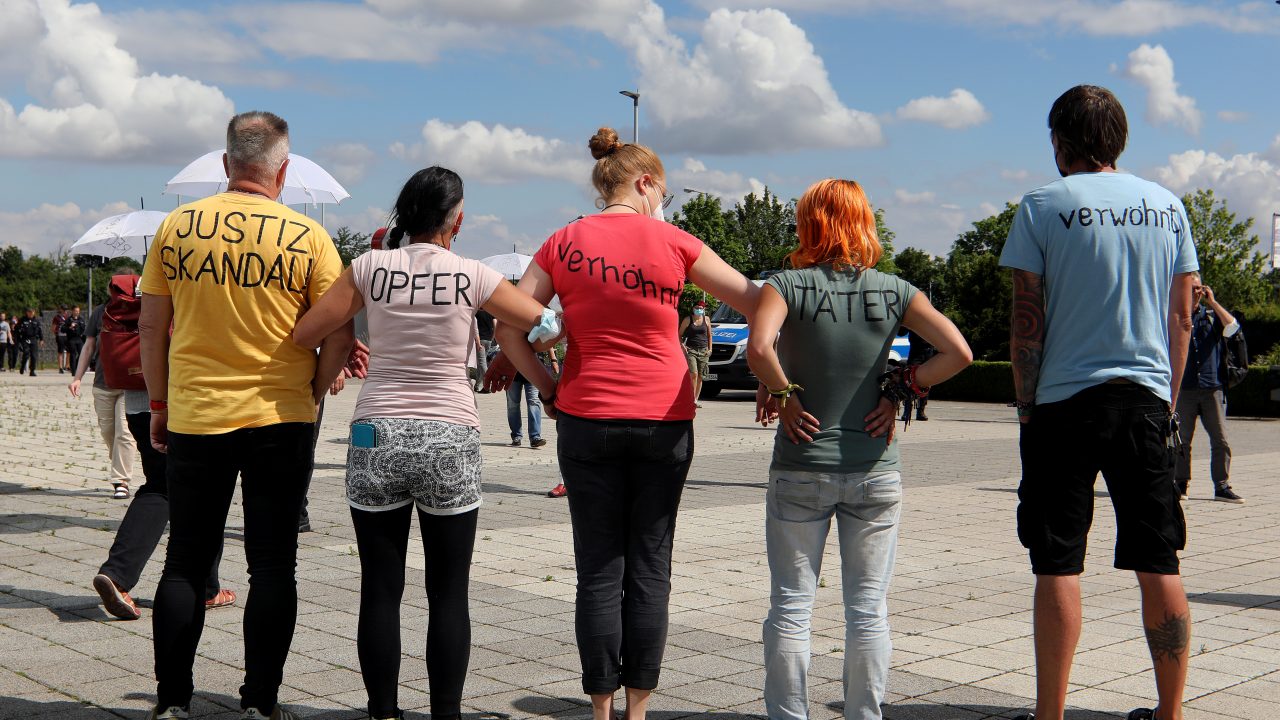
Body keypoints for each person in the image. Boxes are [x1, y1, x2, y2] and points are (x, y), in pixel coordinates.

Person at [487, 126, 758, 720]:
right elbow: (752, 298)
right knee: (651, 565)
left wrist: (548, 385)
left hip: (586, 416)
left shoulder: (563, 243)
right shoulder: (676, 243)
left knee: (598, 568)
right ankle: (639, 710)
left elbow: (509, 321)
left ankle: (600, 709)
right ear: (646, 183)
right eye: (661, 192)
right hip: (664, 418)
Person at [294, 166, 555, 720]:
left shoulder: (367, 267)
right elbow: (550, 324)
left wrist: (333, 361)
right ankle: (446, 714)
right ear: (456, 219)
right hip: (450, 434)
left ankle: (383, 712)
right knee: (448, 593)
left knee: (380, 590)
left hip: (376, 432)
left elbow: (308, 331)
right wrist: (511, 353)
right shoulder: (473, 275)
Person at [139, 110, 352, 720]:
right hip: (280, 420)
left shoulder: (178, 226)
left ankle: (172, 703)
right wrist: (311, 390)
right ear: (282, 171)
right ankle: (260, 702)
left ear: (226, 164)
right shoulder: (308, 237)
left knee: (185, 559)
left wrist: (159, 403)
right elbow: (337, 332)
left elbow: (153, 324)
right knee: (273, 565)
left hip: (196, 413)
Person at [999, 85, 1197, 720]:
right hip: (1144, 399)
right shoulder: (1169, 207)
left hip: (1063, 401)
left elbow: (1026, 317)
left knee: (1058, 560)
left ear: (1061, 139)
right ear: (1120, 140)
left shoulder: (1041, 205)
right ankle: (1170, 713)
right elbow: (1183, 317)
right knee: (1158, 556)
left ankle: (1049, 713)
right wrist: (1166, 401)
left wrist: (1026, 405)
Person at [747, 179, 972, 720]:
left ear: (810, 223)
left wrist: (783, 394)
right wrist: (901, 390)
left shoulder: (787, 285)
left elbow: (758, 346)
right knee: (868, 612)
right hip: (874, 469)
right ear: (864, 223)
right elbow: (959, 351)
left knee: (791, 608)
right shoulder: (895, 290)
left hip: (801, 465)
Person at [71, 297, 236, 619]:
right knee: (206, 488)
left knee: (160, 486)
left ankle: (118, 576)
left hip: (137, 400)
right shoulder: (195, 272)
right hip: (186, 398)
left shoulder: (148, 280)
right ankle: (203, 588)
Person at [1175, 275, 1245, 503]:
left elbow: (1233, 328)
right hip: (1184, 388)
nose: (1195, 292)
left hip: (1212, 388)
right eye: (1191, 288)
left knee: (1220, 439)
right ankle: (1180, 483)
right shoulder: (1175, 315)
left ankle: (1222, 485)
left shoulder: (1212, 317)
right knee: (1182, 440)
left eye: (1198, 287)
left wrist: (1212, 302)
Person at [69, 302, 136, 498]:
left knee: (124, 432)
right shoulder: (100, 312)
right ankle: (120, 464)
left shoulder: (144, 308)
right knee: (109, 433)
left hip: (131, 385)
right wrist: (77, 378)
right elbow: (88, 346)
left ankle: (121, 481)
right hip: (102, 383)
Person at [506, 348, 556, 448]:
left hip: (534, 369)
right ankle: (516, 435)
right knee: (512, 404)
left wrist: (553, 360)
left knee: (534, 402)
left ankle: (535, 437)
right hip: (513, 368)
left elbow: (548, 338)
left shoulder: (536, 331)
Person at [678, 300, 712, 406]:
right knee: (694, 374)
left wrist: (710, 349)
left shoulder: (706, 319)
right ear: (693, 308)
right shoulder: (688, 319)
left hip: (704, 350)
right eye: (697, 308)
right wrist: (682, 346)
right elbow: (679, 334)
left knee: (701, 376)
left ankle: (695, 400)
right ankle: (690, 397)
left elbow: (709, 335)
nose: (699, 310)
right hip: (691, 350)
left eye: (701, 308)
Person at [900, 330, 937, 422]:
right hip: (915, 351)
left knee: (926, 382)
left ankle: (921, 411)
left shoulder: (934, 317)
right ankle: (907, 411)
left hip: (929, 351)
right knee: (909, 380)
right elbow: (901, 332)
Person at [15, 308, 43, 376]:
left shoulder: (36, 321)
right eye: (29, 312)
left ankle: (32, 371)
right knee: (26, 354)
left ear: (34, 313)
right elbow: (17, 329)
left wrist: (41, 339)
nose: (31, 313)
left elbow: (39, 331)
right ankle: (22, 366)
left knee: (34, 356)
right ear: (27, 312)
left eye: (32, 312)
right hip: (25, 339)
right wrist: (18, 339)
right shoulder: (22, 320)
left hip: (33, 339)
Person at [474, 308, 495, 392]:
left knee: (482, 363)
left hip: (480, 340)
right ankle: (477, 385)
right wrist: (493, 337)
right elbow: (495, 324)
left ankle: (488, 385)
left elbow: (475, 328)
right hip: (489, 340)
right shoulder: (490, 312)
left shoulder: (477, 313)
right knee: (481, 363)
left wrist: (478, 342)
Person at [63, 305, 87, 377]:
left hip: (79, 339)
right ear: (72, 311)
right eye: (76, 311)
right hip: (71, 339)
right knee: (73, 355)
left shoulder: (81, 319)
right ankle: (73, 371)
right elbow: (63, 329)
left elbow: (84, 329)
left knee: (81, 355)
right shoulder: (68, 320)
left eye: (78, 311)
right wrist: (70, 327)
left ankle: (77, 368)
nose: (77, 312)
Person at [53, 306, 68, 373]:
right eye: (64, 309)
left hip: (67, 335)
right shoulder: (57, 318)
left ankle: (67, 366)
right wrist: (56, 334)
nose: (65, 311)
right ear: (61, 309)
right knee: (60, 352)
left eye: (66, 309)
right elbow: (53, 327)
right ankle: (60, 367)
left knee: (69, 351)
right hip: (60, 335)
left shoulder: (67, 317)